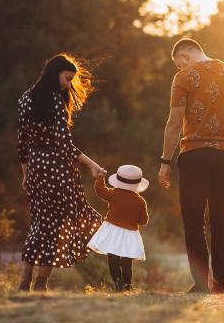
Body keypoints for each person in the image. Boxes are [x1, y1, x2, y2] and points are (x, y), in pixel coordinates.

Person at [158, 38, 224, 293]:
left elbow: (173, 123)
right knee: (221, 220)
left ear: (184, 56)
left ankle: (201, 284)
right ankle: (221, 283)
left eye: (178, 63)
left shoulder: (183, 77)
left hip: (194, 155)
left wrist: (165, 162)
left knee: (193, 221)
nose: (178, 67)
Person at [17, 54, 104, 292]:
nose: (68, 84)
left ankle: (26, 279)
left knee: (39, 223)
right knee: (57, 226)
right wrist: (91, 164)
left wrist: (26, 174)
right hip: (57, 169)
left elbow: (22, 144)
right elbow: (64, 145)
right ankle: (41, 284)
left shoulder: (25, 99)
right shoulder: (55, 100)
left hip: (36, 168)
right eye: (67, 79)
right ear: (54, 72)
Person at [88, 165, 149, 291]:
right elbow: (144, 221)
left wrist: (100, 177)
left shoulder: (114, 193)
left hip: (112, 230)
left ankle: (117, 281)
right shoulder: (140, 201)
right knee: (127, 260)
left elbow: (99, 190)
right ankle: (127, 284)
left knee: (113, 257)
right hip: (130, 234)